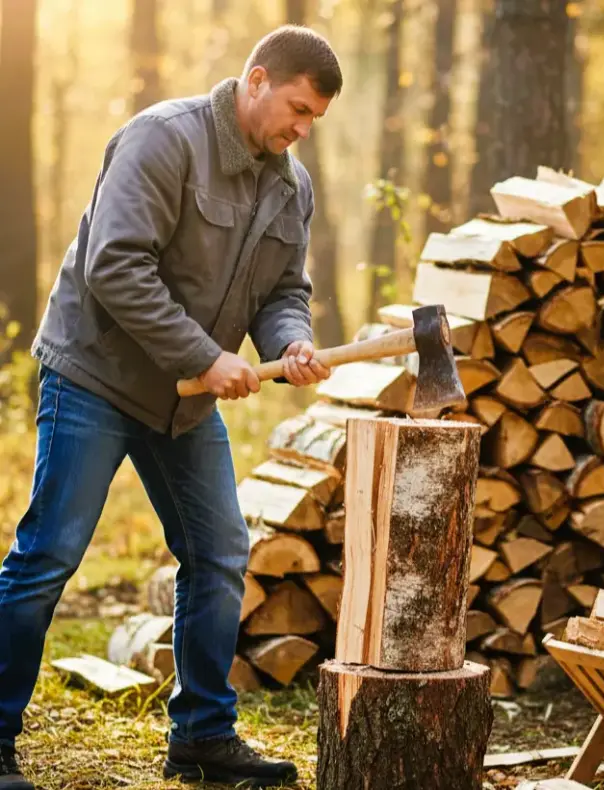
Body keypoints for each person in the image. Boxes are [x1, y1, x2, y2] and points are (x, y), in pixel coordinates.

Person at [0, 24, 342, 790]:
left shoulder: (292, 184)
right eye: (295, 107)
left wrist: (289, 344)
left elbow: (284, 290)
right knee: (48, 555)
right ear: (256, 80)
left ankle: (202, 738)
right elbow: (114, 265)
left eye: (313, 118)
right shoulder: (164, 140)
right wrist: (206, 357)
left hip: (183, 406)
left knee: (220, 552)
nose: (301, 128)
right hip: (96, 377)